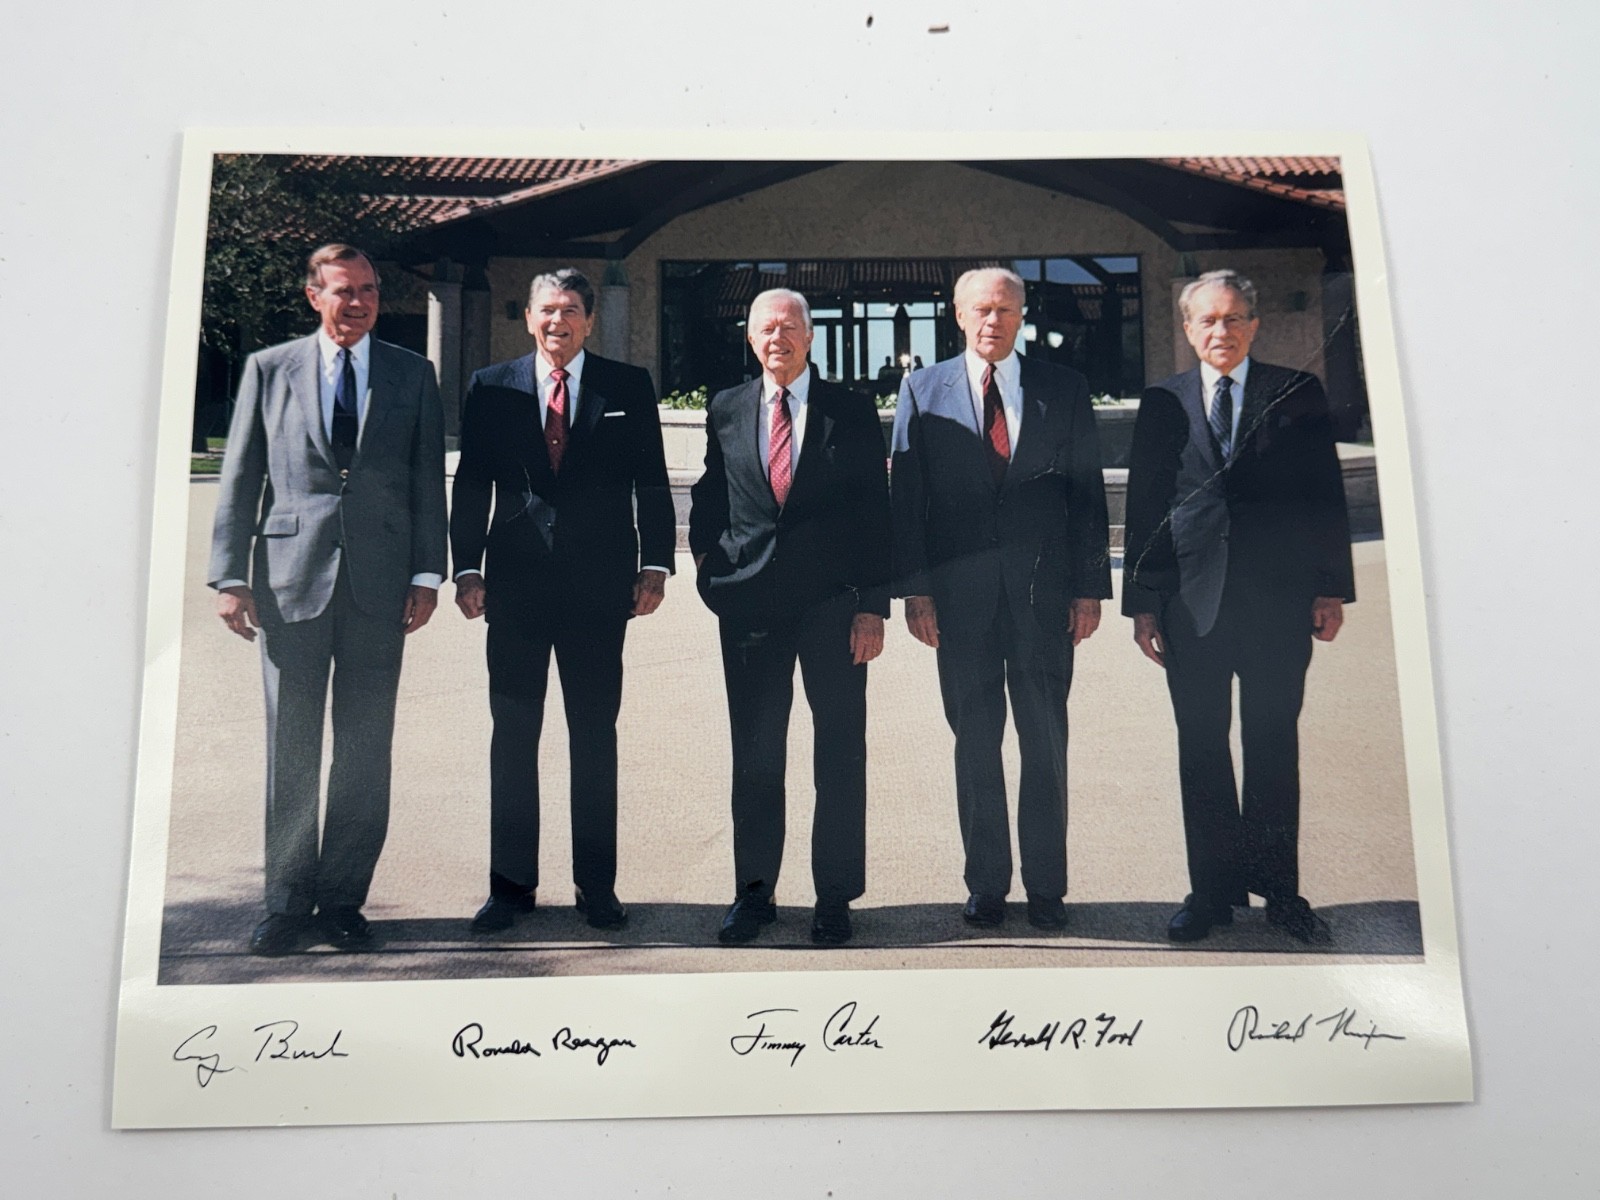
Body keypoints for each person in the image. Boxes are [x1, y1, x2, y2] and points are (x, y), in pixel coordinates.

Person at [208, 243, 447, 956]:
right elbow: (241, 474)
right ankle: (284, 904)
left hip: (380, 587)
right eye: (344, 291)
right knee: (293, 748)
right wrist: (228, 576)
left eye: (369, 291)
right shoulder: (269, 369)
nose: (360, 303)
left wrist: (427, 575)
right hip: (288, 581)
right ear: (314, 296)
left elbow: (426, 481)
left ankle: (343, 900)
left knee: (365, 751)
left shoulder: (411, 373)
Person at [1122, 269, 1355, 945]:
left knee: (1272, 745)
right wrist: (1142, 604)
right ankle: (1212, 893)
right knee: (1200, 747)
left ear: (1253, 325)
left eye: (1233, 319)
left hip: (1278, 603)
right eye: (1207, 321)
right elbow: (1145, 507)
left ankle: (1281, 892)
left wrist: (1329, 586)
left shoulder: (1296, 392)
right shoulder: (1162, 402)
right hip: (1191, 605)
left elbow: (1323, 496)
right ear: (1187, 329)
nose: (1219, 332)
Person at [451, 268, 674, 933]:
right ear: (529, 318)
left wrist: (655, 566)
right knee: (514, 738)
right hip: (514, 589)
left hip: (600, 590)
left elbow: (653, 484)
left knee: (593, 738)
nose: (558, 322)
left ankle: (596, 887)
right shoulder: (491, 388)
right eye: (548, 310)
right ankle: (510, 888)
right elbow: (472, 486)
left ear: (589, 320)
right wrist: (466, 568)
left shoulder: (627, 388)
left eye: (571, 311)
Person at [890, 267, 1111, 930]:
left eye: (1006, 310)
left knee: (1045, 744)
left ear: (1022, 315)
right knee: (975, 743)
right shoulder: (920, 389)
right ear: (957, 316)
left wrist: (1090, 588)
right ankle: (985, 883)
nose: (993, 321)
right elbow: (907, 501)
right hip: (959, 605)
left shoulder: (1062, 389)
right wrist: (916, 591)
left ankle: (1047, 888)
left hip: (1045, 599)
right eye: (981, 310)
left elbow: (1087, 496)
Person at [689, 288, 891, 945]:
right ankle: (754, 895)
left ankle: (835, 897)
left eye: (789, 327)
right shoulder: (727, 408)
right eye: (765, 329)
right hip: (748, 608)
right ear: (750, 340)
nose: (777, 337)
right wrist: (711, 574)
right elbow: (710, 498)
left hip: (834, 610)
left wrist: (870, 606)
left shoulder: (851, 411)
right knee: (755, 754)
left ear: (810, 337)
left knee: (838, 754)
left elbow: (874, 512)